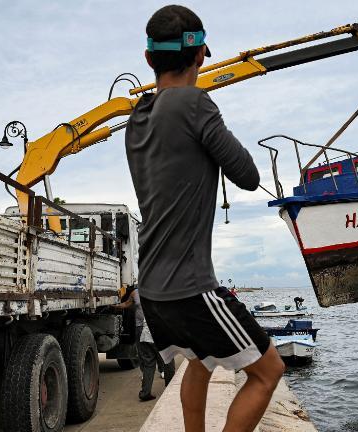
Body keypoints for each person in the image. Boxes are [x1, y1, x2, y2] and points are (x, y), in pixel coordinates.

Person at [124, 5, 285, 431]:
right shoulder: (196, 104)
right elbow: (248, 176)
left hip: (153, 291)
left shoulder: (136, 118)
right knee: (269, 372)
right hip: (189, 288)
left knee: (198, 361)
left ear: (148, 59)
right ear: (199, 56)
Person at [112, 287, 176, 401]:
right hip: (157, 331)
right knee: (168, 360)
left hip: (145, 332)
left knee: (149, 363)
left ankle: (145, 393)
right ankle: (169, 389)